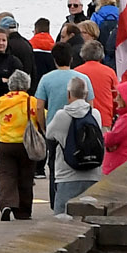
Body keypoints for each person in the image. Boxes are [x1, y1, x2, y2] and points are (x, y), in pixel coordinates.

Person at [47, 77, 107, 213]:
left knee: (63, 218)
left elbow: (49, 135)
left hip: (67, 174)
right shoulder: (95, 114)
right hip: (93, 173)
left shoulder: (62, 115)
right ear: (86, 94)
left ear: (69, 94)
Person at [0, 70, 43, 220]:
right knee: (26, 176)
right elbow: (42, 116)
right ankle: (23, 212)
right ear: (27, 85)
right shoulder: (31, 101)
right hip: (27, 144)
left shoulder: (1, 101)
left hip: (6, 143)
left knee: (6, 175)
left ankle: (6, 203)